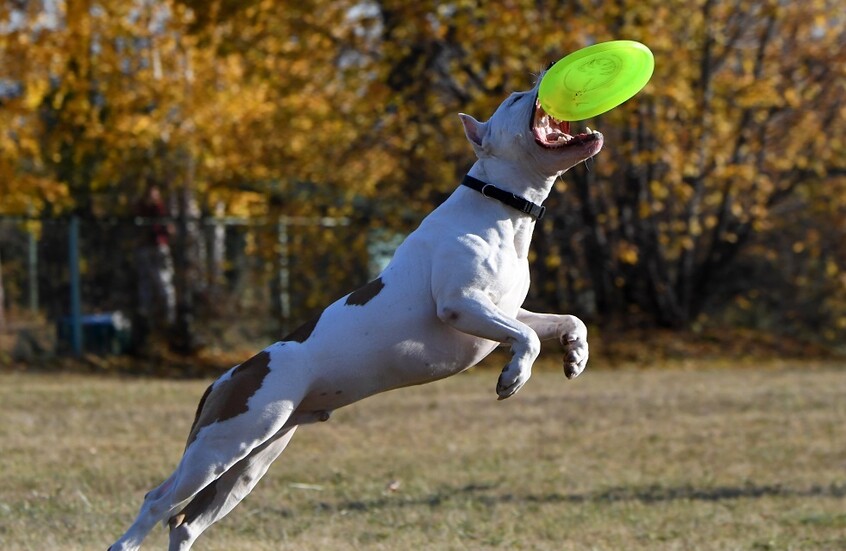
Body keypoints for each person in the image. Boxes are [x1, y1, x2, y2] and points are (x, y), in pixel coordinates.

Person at [134, 182, 176, 335]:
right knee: (148, 284)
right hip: (147, 250)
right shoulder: (143, 209)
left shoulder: (160, 209)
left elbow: (169, 229)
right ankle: (148, 318)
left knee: (163, 283)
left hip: (158, 249)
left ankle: (168, 318)